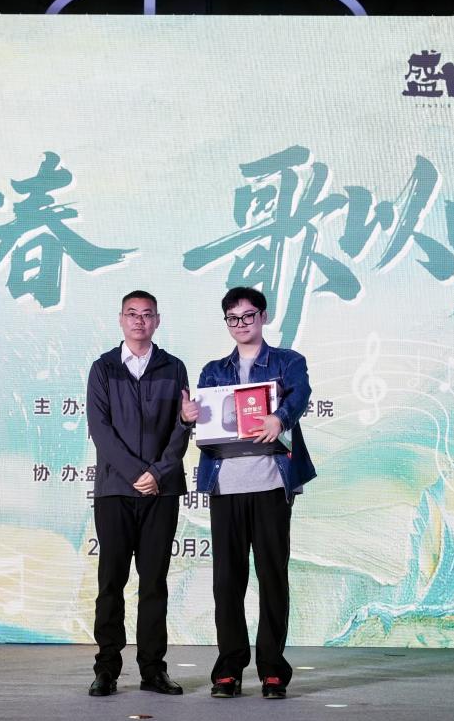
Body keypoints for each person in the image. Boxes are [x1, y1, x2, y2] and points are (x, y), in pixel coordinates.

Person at [195, 286, 316, 700]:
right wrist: (188, 416)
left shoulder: (287, 361)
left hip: (270, 484)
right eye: (233, 318)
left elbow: (300, 394)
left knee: (272, 577)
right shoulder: (213, 370)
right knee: (227, 581)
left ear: (263, 317)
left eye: (248, 316)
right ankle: (229, 669)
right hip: (225, 486)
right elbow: (204, 422)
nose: (241, 324)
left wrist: (279, 418)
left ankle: (273, 670)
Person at [86, 290, 199, 697]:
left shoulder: (173, 367)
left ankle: (153, 670)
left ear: (157, 321)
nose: (139, 321)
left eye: (147, 314)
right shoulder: (103, 368)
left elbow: (180, 428)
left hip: (161, 493)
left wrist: (158, 472)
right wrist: (138, 473)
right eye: (132, 314)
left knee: (154, 583)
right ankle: (106, 669)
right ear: (121, 319)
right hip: (115, 490)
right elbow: (100, 429)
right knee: (111, 582)